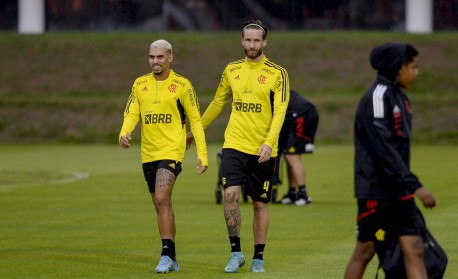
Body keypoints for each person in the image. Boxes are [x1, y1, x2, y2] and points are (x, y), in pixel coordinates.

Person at [187, 19, 289, 273]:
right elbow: (217, 103)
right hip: (234, 144)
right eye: (248, 40)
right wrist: (195, 130)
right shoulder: (231, 70)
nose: (252, 44)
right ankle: (236, 253)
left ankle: (258, 257)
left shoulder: (278, 73)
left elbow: (280, 112)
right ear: (242, 41)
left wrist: (269, 143)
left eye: (257, 40)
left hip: (263, 150)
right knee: (230, 195)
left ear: (264, 42)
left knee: (259, 204)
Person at [344, 42, 436, 279]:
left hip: (399, 188)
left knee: (414, 250)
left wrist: (406, 183)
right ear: (398, 67)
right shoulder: (377, 97)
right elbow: (383, 149)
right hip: (377, 191)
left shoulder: (400, 97)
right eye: (412, 67)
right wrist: (415, 184)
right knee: (365, 250)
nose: (416, 73)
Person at [119, 39, 208, 273]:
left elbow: (196, 120)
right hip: (148, 152)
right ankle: (173, 256)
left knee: (161, 197)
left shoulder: (182, 85)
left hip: (172, 150)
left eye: (160, 57)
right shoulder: (140, 84)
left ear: (170, 57)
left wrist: (202, 153)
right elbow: (131, 113)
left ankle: (165, 255)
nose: (155, 61)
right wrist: (124, 132)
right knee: (160, 204)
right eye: (151, 57)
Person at [278, 90, 319, 206]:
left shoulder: (268, 90)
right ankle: (292, 193)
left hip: (302, 115)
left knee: (292, 156)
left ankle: (303, 195)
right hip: (295, 116)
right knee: (288, 155)